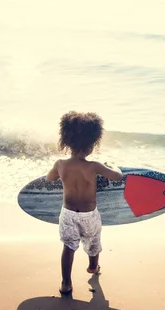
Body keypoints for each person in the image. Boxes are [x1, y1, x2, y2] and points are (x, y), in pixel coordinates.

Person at [46, 111, 123, 294]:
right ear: (91, 144)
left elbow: (49, 178)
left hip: (68, 214)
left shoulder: (60, 164)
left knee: (69, 246)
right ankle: (92, 267)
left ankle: (66, 283)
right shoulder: (94, 166)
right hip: (89, 215)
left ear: (67, 141)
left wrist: (60, 176)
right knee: (93, 242)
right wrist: (114, 165)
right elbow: (118, 177)